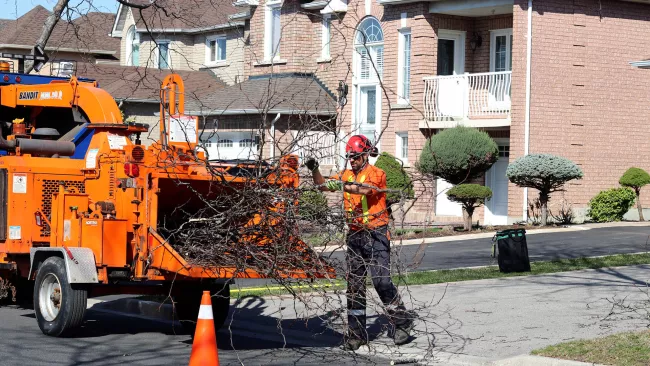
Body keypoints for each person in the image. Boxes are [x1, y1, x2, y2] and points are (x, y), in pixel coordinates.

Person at [305, 135, 416, 351]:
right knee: (354, 288)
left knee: (381, 281)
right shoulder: (346, 175)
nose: (352, 160)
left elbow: (364, 189)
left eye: (355, 156)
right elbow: (323, 187)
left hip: (377, 234)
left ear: (365, 154)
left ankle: (402, 321)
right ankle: (356, 335)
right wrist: (315, 171)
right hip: (355, 235)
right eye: (349, 157)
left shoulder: (377, 174)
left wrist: (341, 185)